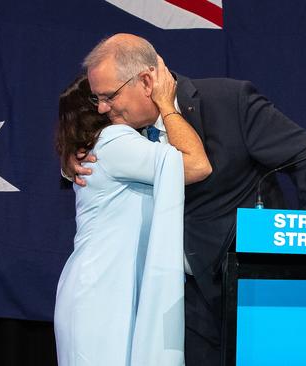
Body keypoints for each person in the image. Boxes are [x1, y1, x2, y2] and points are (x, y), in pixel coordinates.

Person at [64, 33, 306, 365]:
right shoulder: (122, 131)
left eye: (109, 96)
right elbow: (83, 139)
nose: (103, 108)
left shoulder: (229, 101)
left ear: (147, 81)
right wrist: (71, 159)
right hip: (180, 301)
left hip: (246, 290)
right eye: (98, 98)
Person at [54, 60, 212, 365]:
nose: (109, 105)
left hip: (106, 290)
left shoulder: (104, 146)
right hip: (104, 294)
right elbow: (197, 164)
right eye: (104, 98)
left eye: (110, 96)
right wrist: (167, 105)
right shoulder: (114, 141)